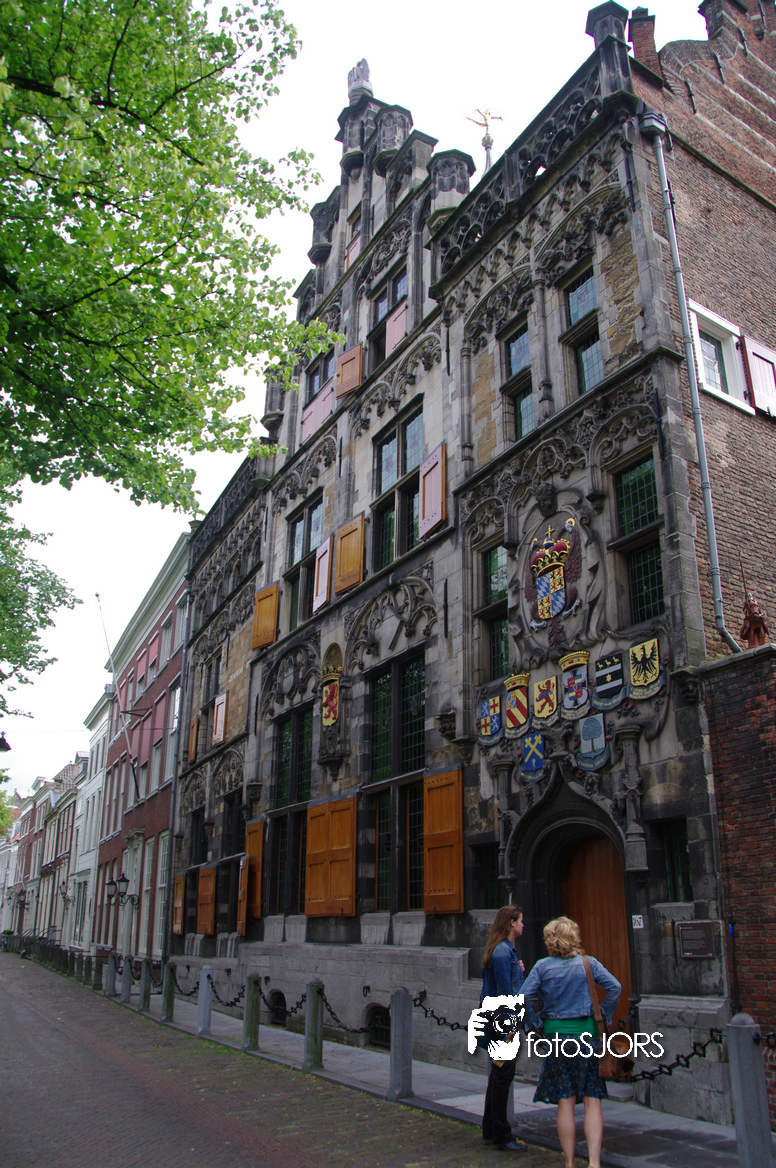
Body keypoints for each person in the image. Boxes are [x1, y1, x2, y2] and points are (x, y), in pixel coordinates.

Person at [521, 917, 621, 1168]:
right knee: (592, 1098)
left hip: (557, 1038)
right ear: (573, 938)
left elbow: (522, 997)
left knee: (565, 1101)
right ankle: (594, 1162)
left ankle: (569, 1162)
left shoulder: (543, 967)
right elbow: (615, 987)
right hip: (587, 1036)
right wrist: (604, 1016)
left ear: (550, 941)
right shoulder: (588, 963)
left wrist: (536, 1023)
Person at [479, 905, 528, 1154]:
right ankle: (501, 1134)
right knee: (502, 1077)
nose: (523, 925)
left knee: (498, 1076)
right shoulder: (501, 952)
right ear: (511, 923)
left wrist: (517, 971)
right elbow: (504, 993)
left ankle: (490, 1130)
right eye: (520, 921)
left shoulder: (505, 951)